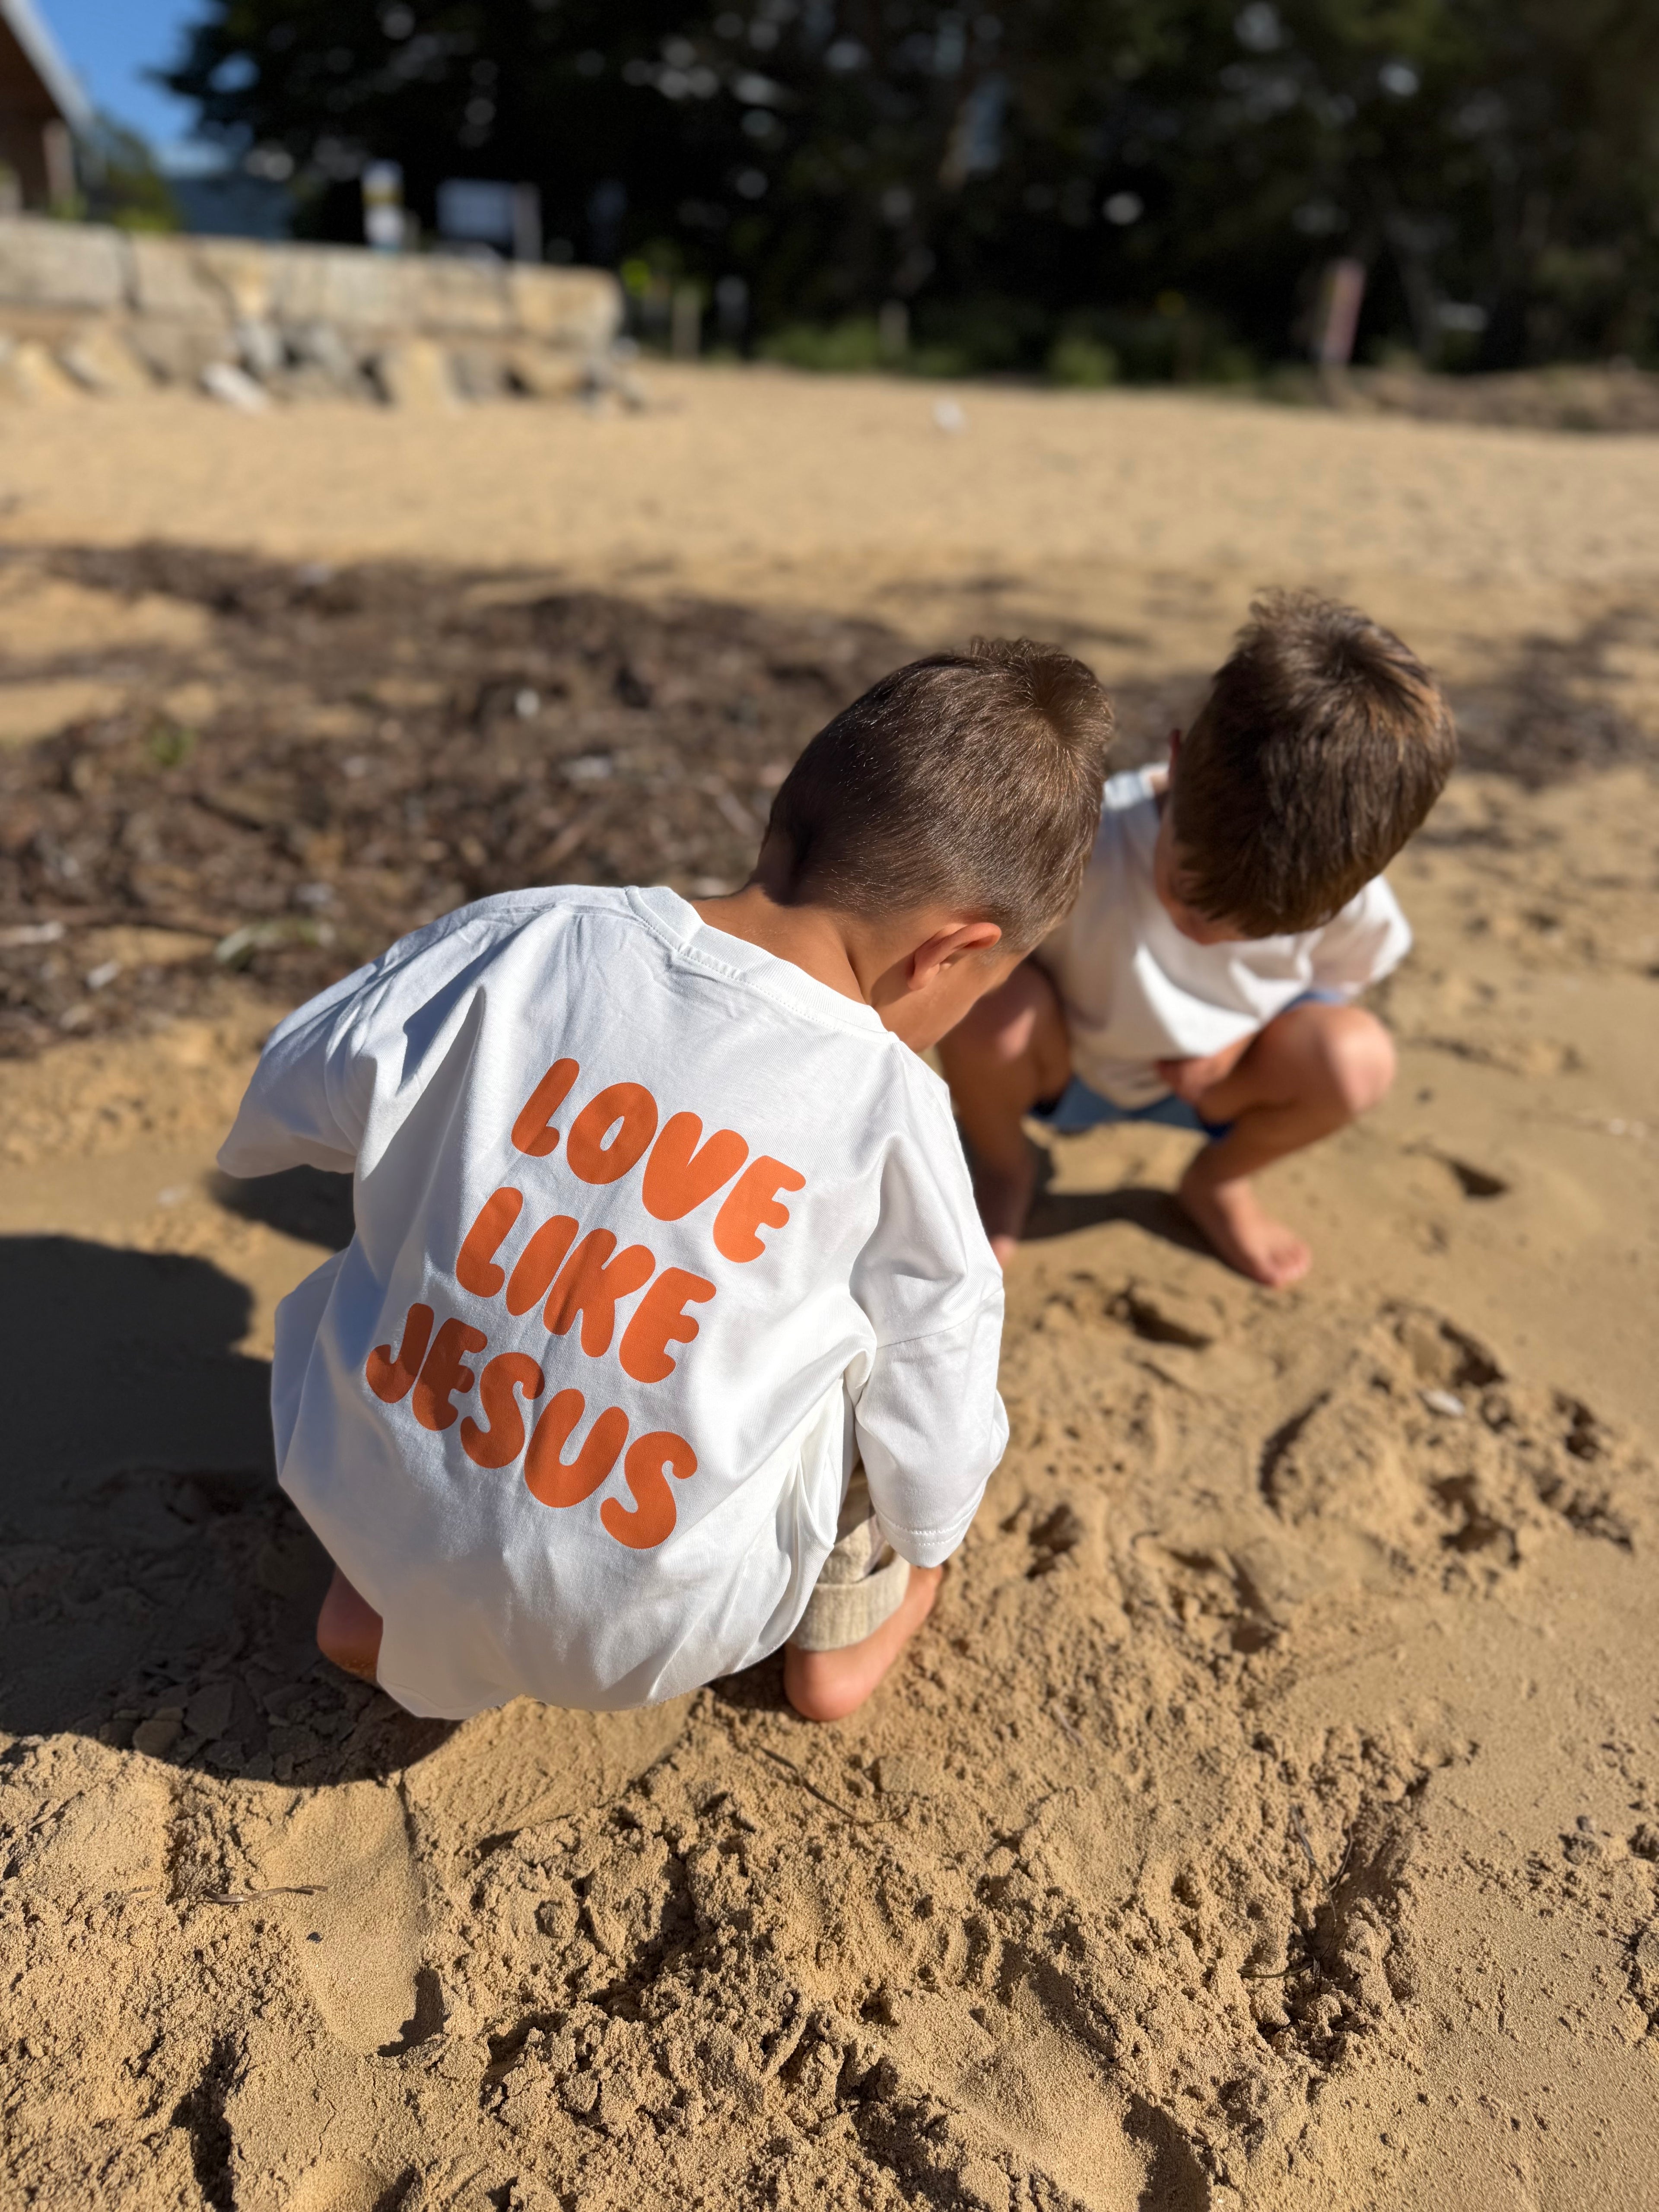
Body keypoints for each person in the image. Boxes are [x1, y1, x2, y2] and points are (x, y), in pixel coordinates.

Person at [218, 640, 1116, 1725]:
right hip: (645, 1624)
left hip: (360, 1491)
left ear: (785, 817)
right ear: (947, 953)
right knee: (868, 1368)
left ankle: (384, 1581)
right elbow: (941, 1392)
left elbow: (286, 1098)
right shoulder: (893, 1109)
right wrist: (926, 1545)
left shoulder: (530, 935)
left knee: (428, 1225)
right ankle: (845, 1639)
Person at [940, 591, 1457, 1288]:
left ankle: (1218, 1182)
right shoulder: (1089, 844)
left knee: (1356, 1059)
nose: (1212, 938)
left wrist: (1240, 1050)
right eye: (1189, 895)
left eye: (1265, 931)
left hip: (1221, 1087)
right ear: (1176, 765)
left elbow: (1337, 980)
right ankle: (1006, 1167)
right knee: (985, 1011)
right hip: (1072, 1061)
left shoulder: (1342, 888)